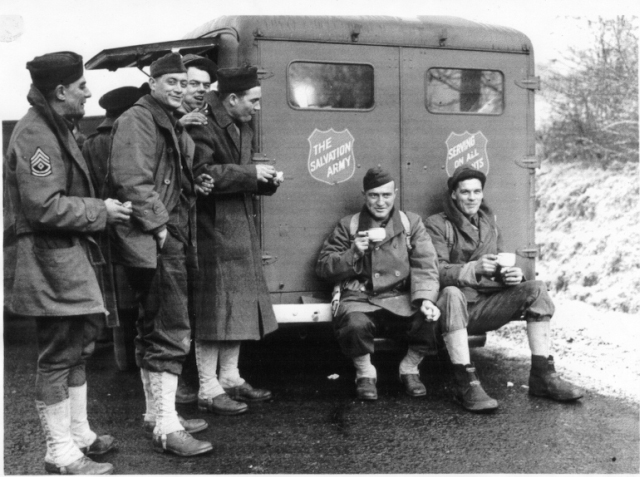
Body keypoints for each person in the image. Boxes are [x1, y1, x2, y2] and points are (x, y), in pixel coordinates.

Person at [5, 51, 132, 474]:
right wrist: (102, 211)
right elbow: (43, 207)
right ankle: (60, 452)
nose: (88, 93)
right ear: (60, 91)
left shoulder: (53, 126)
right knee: (59, 356)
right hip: (49, 260)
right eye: (81, 87)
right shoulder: (36, 134)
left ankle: (79, 436)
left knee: (76, 351)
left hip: (62, 258)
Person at [109, 52, 212, 456]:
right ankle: (168, 428)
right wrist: (161, 226)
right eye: (172, 83)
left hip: (162, 237)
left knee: (154, 325)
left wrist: (193, 185)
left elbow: (168, 177)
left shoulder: (165, 120)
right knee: (170, 328)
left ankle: (157, 414)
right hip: (153, 239)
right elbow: (131, 181)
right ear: (153, 84)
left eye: (185, 83)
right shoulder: (138, 119)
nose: (181, 90)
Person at [424, 166, 583, 412]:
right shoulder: (436, 224)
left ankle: (542, 375)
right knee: (452, 293)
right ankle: (466, 382)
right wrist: (473, 268)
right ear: (454, 195)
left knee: (536, 289)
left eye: (477, 191)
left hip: (482, 307)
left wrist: (512, 277)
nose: (472, 197)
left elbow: (497, 265)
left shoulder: (489, 224)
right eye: (465, 192)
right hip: (449, 311)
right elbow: (436, 272)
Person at [189, 66, 281, 416]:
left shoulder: (240, 123)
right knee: (213, 310)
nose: (257, 107)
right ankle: (208, 387)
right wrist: (249, 174)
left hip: (236, 225)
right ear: (231, 99)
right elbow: (203, 174)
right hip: (210, 228)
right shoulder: (200, 123)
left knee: (236, 306)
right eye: (252, 101)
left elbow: (241, 173)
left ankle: (229, 376)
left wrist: (266, 180)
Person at [316, 167, 441, 400]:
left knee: (430, 317)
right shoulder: (349, 225)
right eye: (374, 195)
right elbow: (324, 267)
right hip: (361, 297)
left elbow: (425, 264)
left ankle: (410, 368)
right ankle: (365, 373)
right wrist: (353, 253)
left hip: (400, 296)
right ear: (365, 195)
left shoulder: (410, 223)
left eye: (386, 195)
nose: (380, 202)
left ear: (395, 194)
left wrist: (424, 299)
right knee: (353, 323)